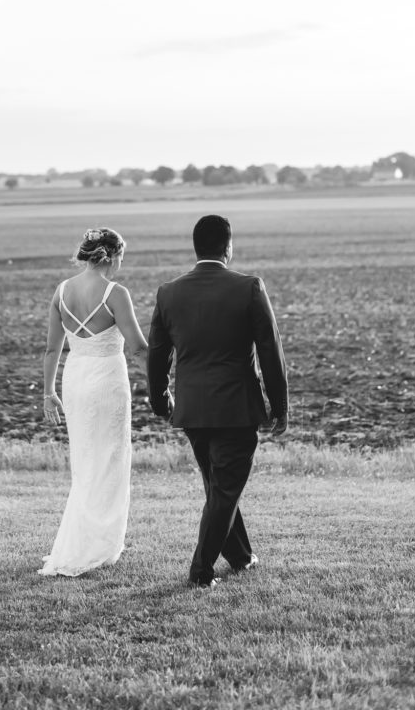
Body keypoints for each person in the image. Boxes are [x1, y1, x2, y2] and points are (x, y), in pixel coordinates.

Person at [147, 214, 288, 589]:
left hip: (192, 410)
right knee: (224, 490)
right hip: (236, 408)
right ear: (229, 247)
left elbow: (158, 356)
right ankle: (200, 571)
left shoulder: (168, 292)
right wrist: (280, 406)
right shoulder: (249, 287)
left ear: (196, 248)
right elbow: (270, 351)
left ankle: (241, 556)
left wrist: (161, 402)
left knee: (219, 488)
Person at [39, 227, 148, 577]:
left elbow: (52, 348)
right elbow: (138, 347)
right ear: (113, 256)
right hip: (107, 382)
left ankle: (86, 539)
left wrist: (48, 392)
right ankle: (101, 543)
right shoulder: (116, 293)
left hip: (75, 380)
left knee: (85, 460)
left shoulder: (62, 291)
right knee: (111, 459)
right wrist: (164, 382)